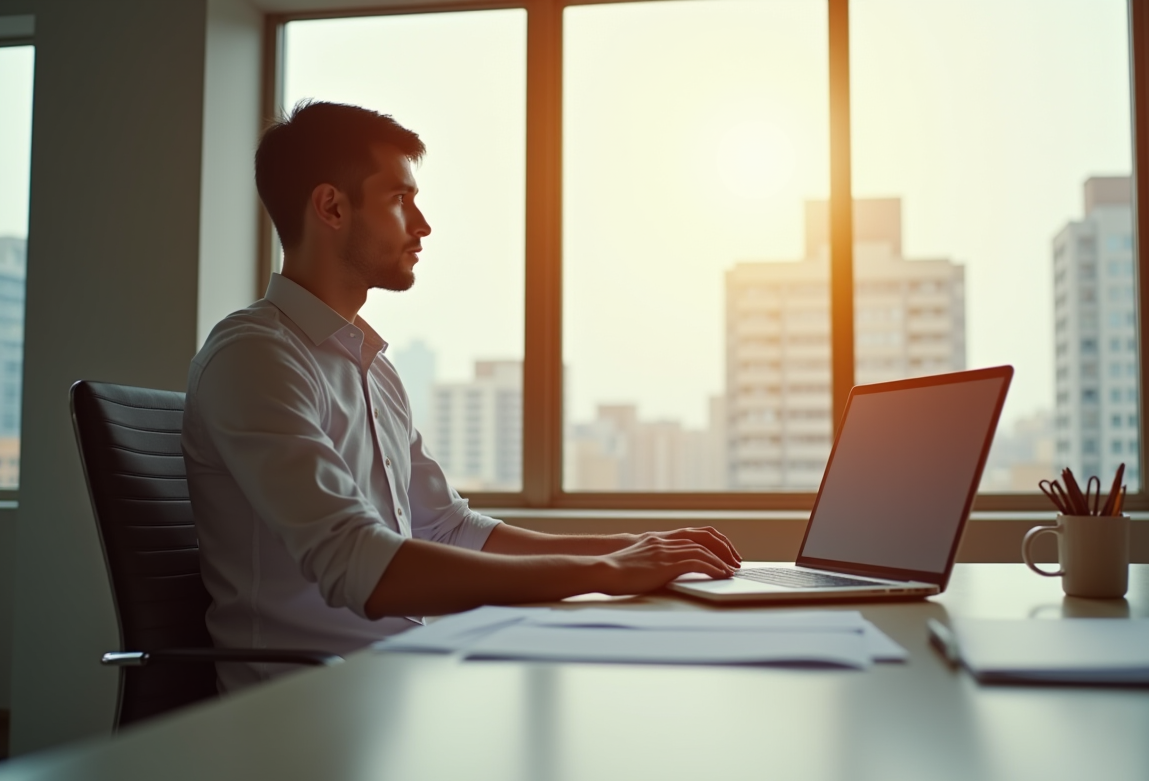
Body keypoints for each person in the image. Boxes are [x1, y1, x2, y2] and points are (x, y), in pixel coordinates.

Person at [182, 101, 740, 692]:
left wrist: (631, 549)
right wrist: (602, 570)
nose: (422, 225)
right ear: (332, 206)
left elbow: (447, 528)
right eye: (400, 199)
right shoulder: (256, 357)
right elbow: (360, 564)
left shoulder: (371, 368)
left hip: (399, 680)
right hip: (304, 704)